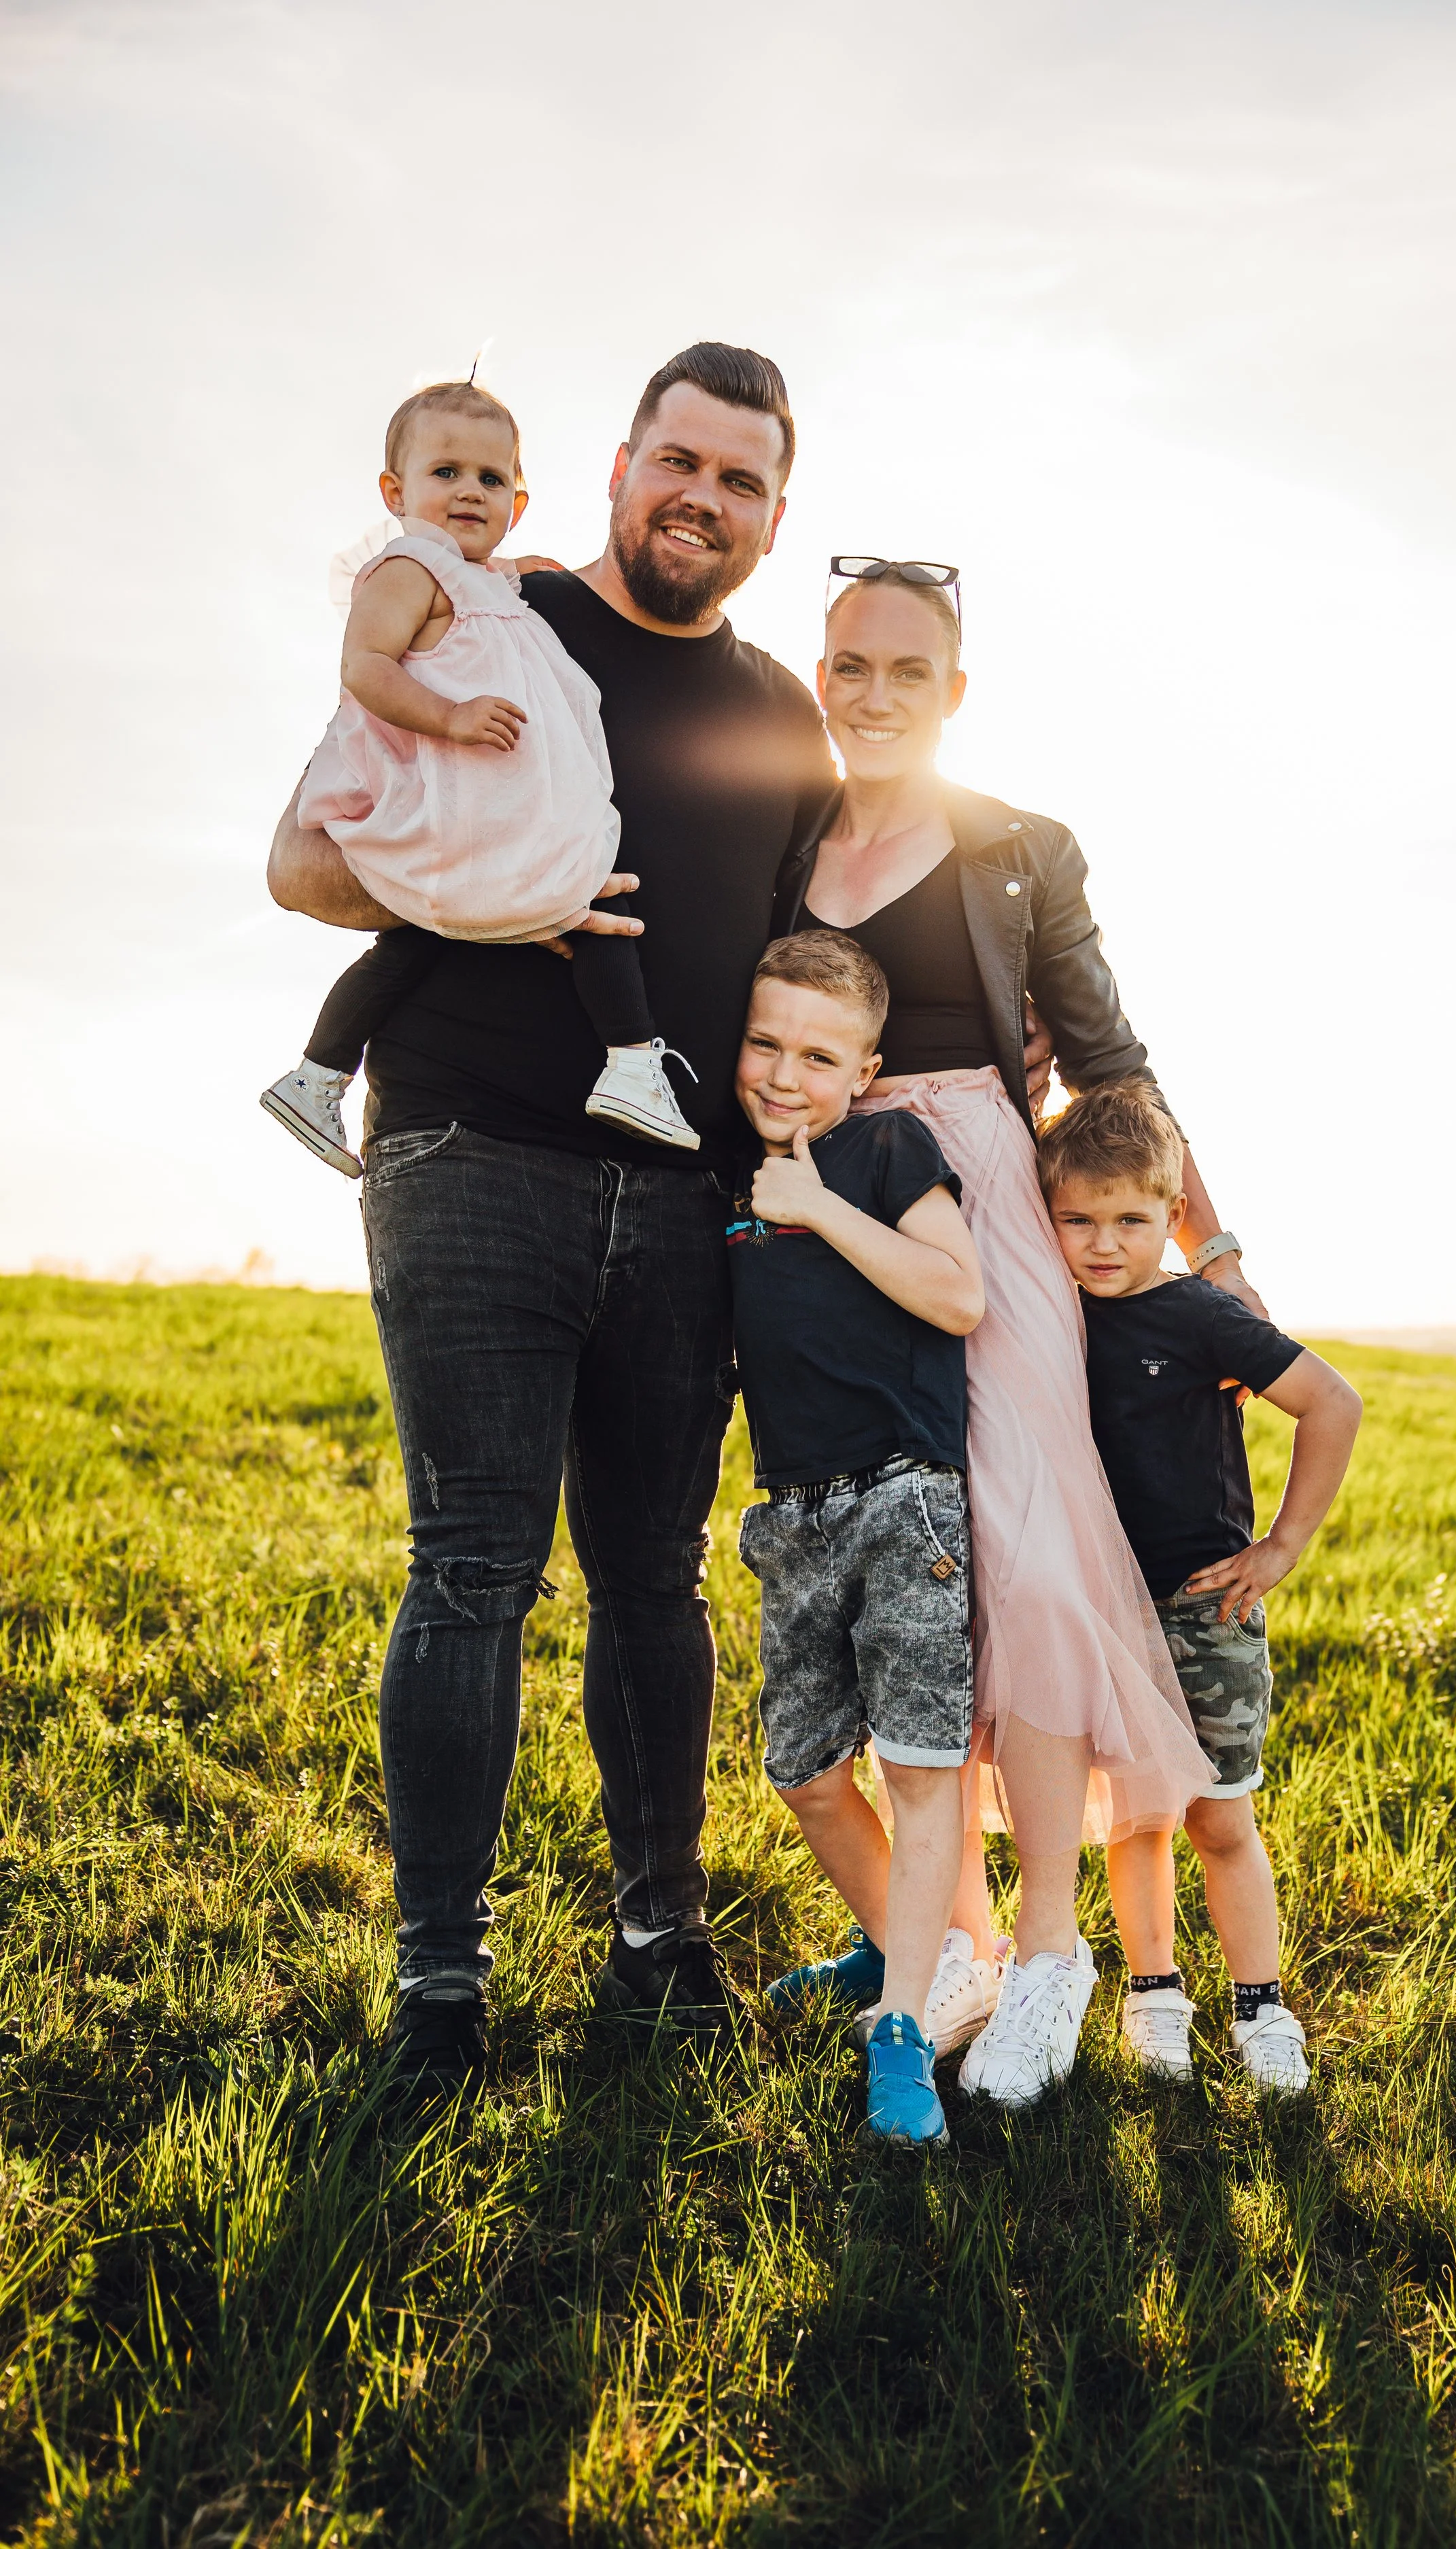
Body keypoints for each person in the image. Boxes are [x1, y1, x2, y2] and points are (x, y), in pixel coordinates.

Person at [266, 343, 837, 2106]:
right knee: (471, 1567)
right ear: (618, 461)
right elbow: (304, 861)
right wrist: (499, 892)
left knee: (654, 1578)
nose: (702, 498)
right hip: (468, 1148)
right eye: (681, 460)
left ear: (768, 514)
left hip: (683, 1195)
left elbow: (814, 955)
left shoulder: (777, 709)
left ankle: (659, 1933)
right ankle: (441, 1979)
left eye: (739, 480)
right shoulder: (485, 613)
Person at [763, 557, 1265, 2110]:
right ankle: (954, 1941)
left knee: (1037, 1560)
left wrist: (1217, 1246)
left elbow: (1110, 1063)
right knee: (924, 1577)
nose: (871, 692)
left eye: (906, 669)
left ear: (955, 689)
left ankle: (1052, 1953)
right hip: (839, 1210)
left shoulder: (1018, 849)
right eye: (847, 663)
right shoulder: (782, 837)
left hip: (987, 1192)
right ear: (822, 670)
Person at [261, 378, 699, 1171]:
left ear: (517, 503)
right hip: (440, 792)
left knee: (423, 942)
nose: (470, 491)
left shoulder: (485, 580)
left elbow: (485, 610)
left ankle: (319, 1073)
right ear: (396, 492)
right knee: (584, 889)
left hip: (481, 800)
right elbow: (364, 665)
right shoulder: (407, 565)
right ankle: (633, 1064)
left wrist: (516, 571)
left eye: (491, 479)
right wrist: (449, 716)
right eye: (446, 473)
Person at [1041, 1080, 1362, 2093]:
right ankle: (1154, 1991)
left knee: (1220, 1817)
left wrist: (1281, 1546)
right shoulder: (1052, 1323)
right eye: (1078, 1219)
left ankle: (1261, 2006)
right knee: (1135, 1819)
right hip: (1102, 1611)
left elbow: (1332, 1402)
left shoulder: (1201, 1315)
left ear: (1173, 1216)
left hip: (1205, 1608)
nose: (1103, 1242)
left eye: (1132, 1219)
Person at [730, 931, 984, 2145]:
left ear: (865, 1069)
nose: (786, 1074)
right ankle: (916, 1952)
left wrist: (820, 1207)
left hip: (905, 1501)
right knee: (804, 1773)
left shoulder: (885, 1148)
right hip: (791, 1513)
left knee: (919, 1768)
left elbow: (959, 1296)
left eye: (819, 1055)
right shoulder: (730, 1180)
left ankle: (902, 2028)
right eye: (764, 1043)